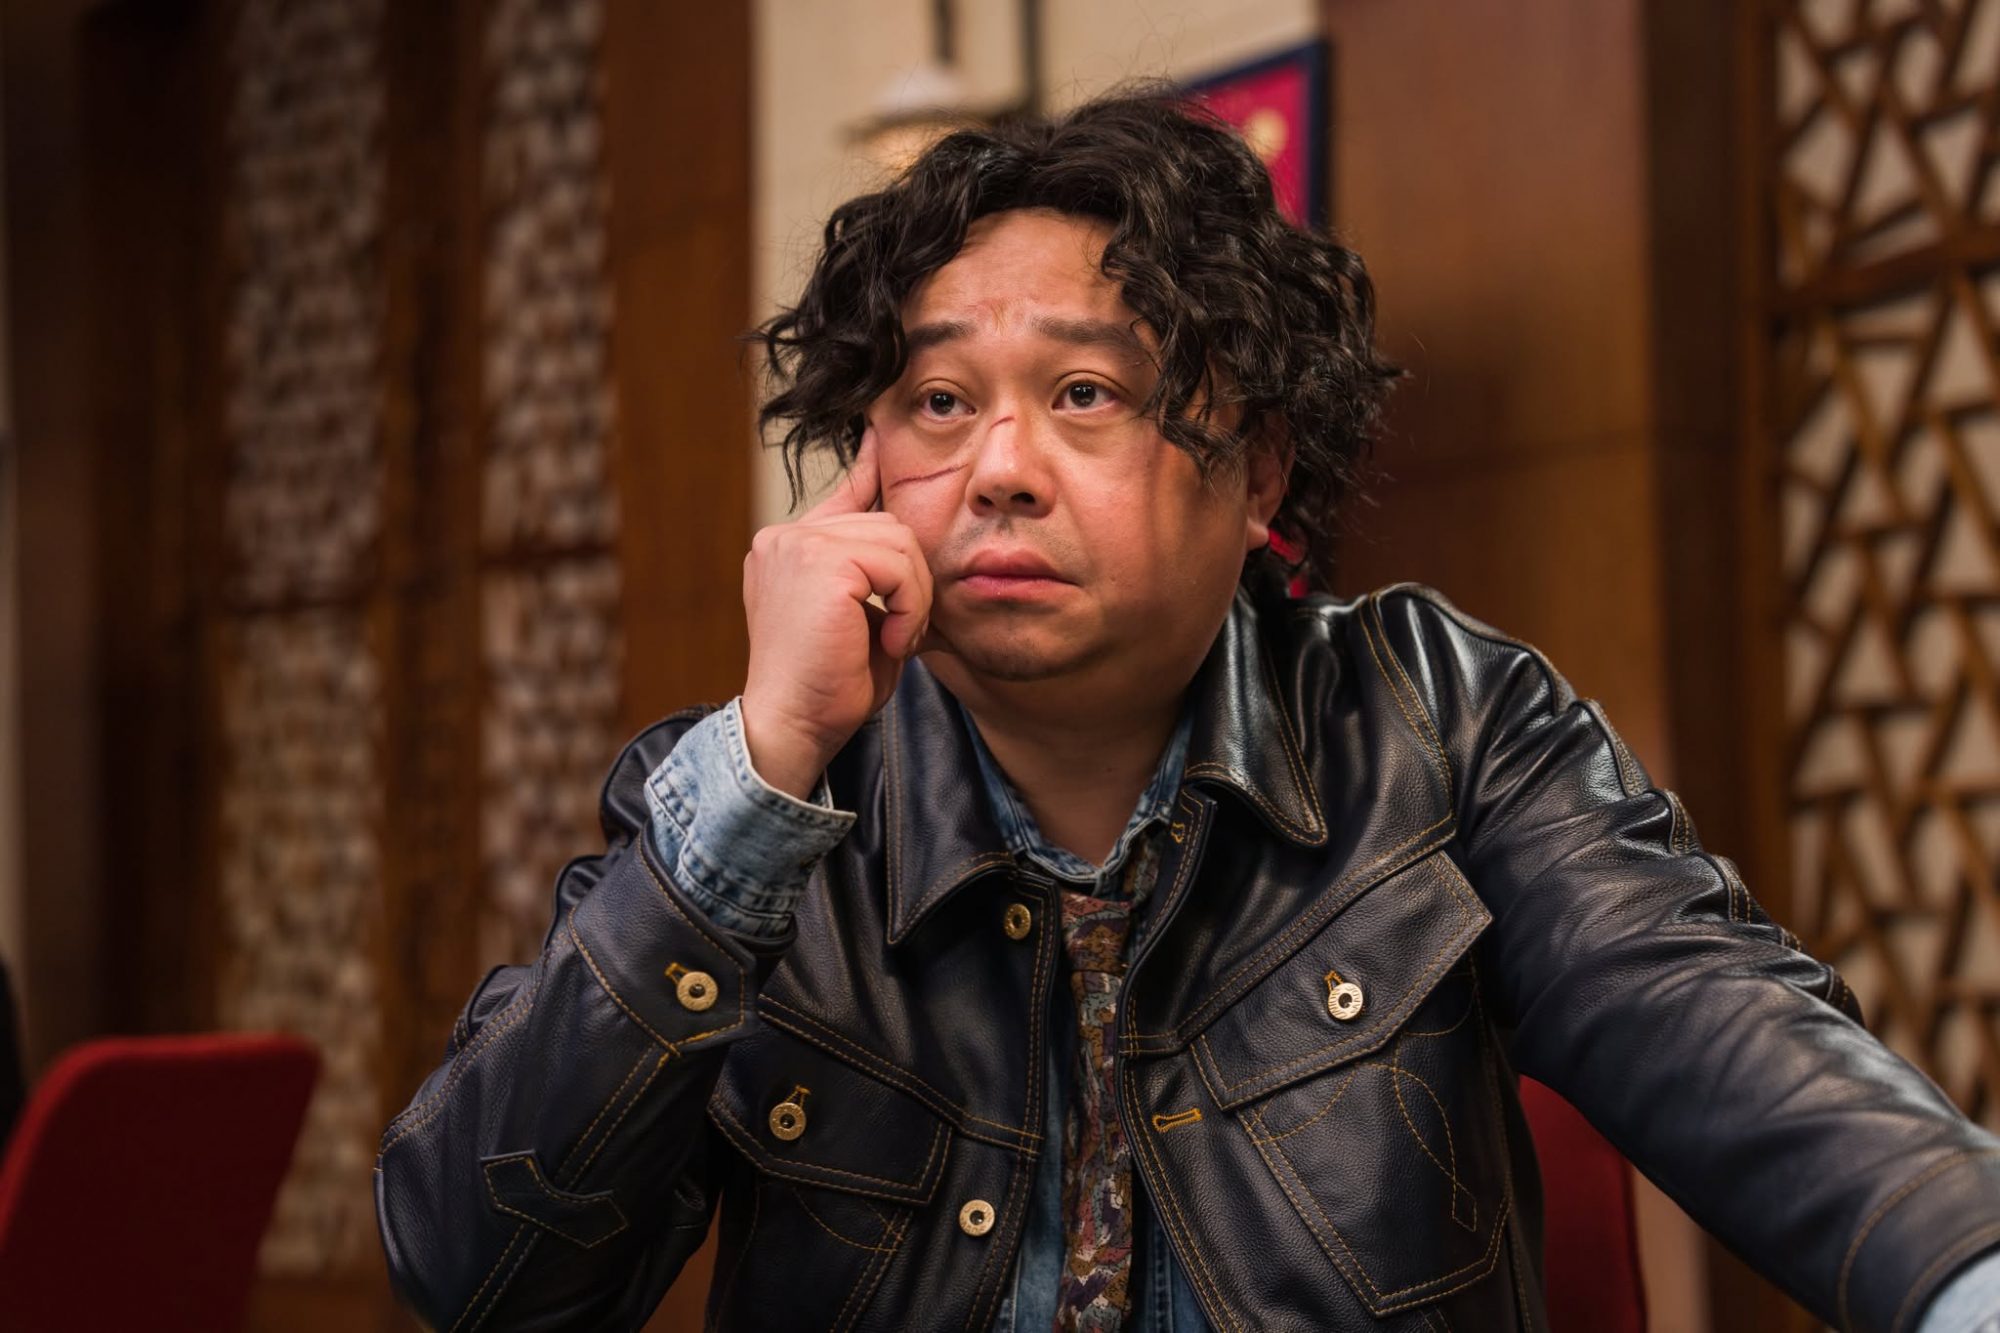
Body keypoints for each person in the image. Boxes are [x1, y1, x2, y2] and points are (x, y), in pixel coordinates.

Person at [374, 87, 2000, 1332]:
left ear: (1259, 470)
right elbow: (473, 1274)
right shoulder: (754, 802)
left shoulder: (1441, 727)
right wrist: (758, 781)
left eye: (1083, 393)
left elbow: (1730, 1032)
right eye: (938, 402)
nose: (998, 468)